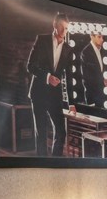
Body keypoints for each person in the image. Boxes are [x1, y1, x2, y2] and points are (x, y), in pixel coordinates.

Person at [26, 12, 75, 156]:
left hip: (55, 96)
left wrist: (71, 103)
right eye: (61, 27)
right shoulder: (42, 40)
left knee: (61, 132)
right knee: (41, 133)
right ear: (54, 25)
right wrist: (47, 77)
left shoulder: (68, 49)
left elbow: (69, 76)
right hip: (38, 93)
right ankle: (42, 167)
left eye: (66, 28)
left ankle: (55, 163)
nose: (64, 31)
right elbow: (30, 66)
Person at [79, 32, 107, 107]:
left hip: (102, 92)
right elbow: (86, 78)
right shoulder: (85, 52)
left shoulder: (102, 50)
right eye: (99, 37)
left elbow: (100, 70)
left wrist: (104, 79)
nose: (102, 40)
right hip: (92, 95)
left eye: (102, 37)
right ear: (92, 37)